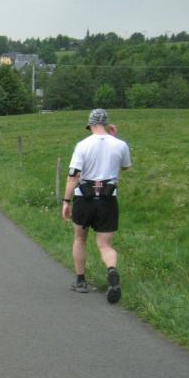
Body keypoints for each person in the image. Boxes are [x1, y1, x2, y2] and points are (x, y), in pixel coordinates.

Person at [61, 108, 131, 303]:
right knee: (105, 245)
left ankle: (80, 281)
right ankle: (112, 270)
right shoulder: (120, 145)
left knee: (80, 238)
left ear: (90, 125)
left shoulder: (82, 145)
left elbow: (73, 176)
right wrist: (114, 138)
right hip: (108, 199)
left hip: (84, 198)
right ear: (107, 125)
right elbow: (126, 166)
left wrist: (66, 201)